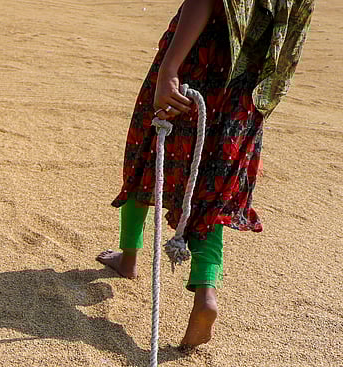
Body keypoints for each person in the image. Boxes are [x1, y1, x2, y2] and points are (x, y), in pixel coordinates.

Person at [96, 0, 313, 349]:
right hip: (247, 84)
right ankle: (205, 292)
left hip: (198, 64)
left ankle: (129, 257)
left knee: (150, 154)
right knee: (209, 187)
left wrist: (169, 70)